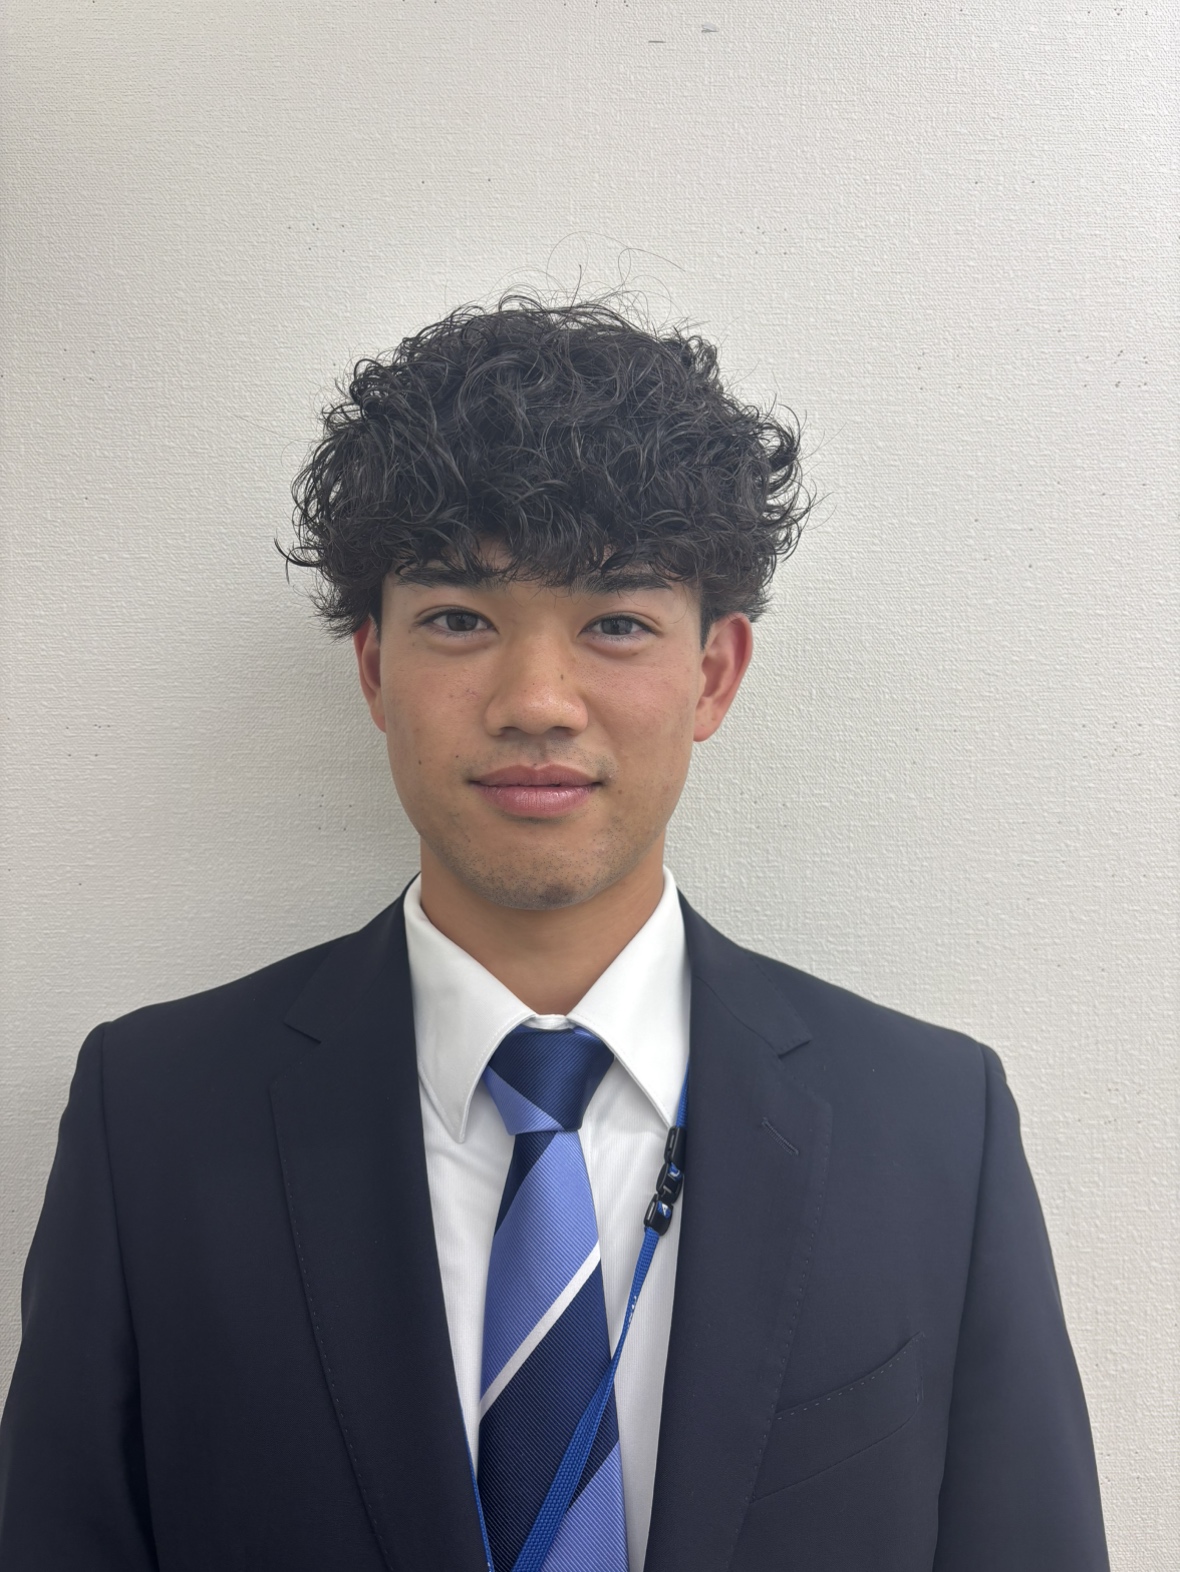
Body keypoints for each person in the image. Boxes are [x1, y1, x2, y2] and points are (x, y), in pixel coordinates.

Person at [0, 298, 1109, 1572]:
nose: (536, 700)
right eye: (459, 619)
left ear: (714, 674)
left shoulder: (933, 1125)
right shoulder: (153, 1116)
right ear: (373, 667)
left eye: (616, 622)